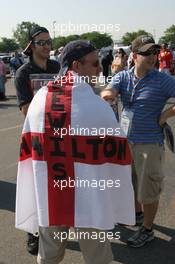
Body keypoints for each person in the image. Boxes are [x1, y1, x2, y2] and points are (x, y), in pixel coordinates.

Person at [16, 40, 135, 263]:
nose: (101, 68)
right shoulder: (97, 106)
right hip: (90, 197)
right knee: (96, 257)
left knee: (49, 255)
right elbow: (119, 157)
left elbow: (28, 151)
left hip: (50, 193)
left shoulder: (40, 98)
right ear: (76, 65)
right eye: (95, 63)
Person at [101, 35, 175, 248]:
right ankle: (137, 214)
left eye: (154, 52)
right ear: (134, 56)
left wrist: (165, 115)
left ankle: (148, 230)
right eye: (146, 53)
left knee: (148, 188)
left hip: (149, 145)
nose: (152, 57)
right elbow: (109, 89)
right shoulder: (123, 76)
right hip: (126, 142)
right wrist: (108, 96)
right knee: (130, 185)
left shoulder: (162, 79)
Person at [15, 26, 60, 255]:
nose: (47, 46)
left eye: (49, 42)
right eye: (42, 42)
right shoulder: (24, 72)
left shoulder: (57, 67)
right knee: (35, 187)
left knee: (56, 184)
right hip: (36, 139)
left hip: (59, 138)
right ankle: (33, 234)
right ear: (31, 45)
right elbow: (26, 109)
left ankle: (57, 227)